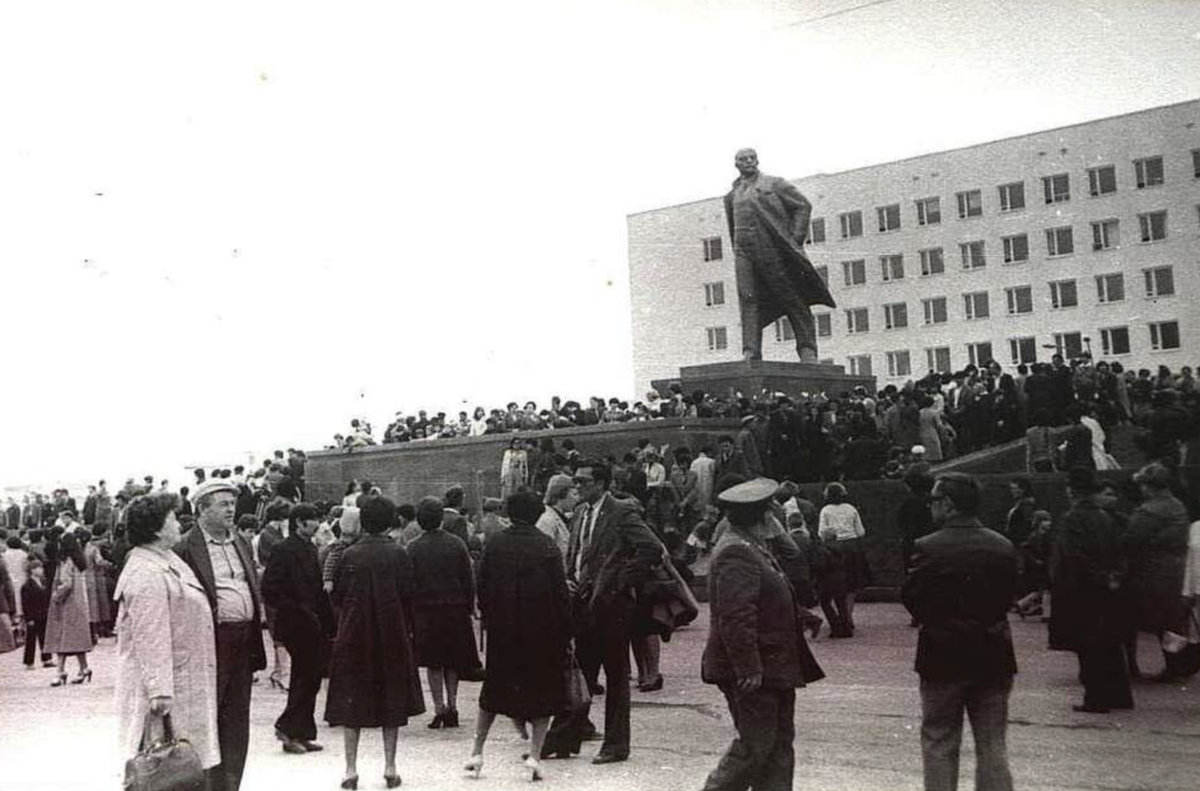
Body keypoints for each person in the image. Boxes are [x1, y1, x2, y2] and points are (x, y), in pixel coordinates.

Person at [699, 478, 824, 791]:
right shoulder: (736, 551)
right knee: (755, 747)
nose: (776, 517)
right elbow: (736, 616)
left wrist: (802, 616)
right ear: (762, 515)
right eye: (771, 511)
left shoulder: (750, 545)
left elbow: (767, 596)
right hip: (756, 670)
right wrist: (748, 667)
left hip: (773, 665)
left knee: (778, 747)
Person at [902, 472, 1018, 791]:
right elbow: (1009, 594)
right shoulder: (1002, 545)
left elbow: (912, 597)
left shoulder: (927, 547)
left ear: (949, 505)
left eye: (935, 500)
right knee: (993, 743)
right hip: (993, 650)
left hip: (942, 653)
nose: (931, 506)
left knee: (939, 738)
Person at [542, 460, 662, 764]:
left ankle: (616, 744)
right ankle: (564, 738)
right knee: (581, 672)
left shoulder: (621, 511)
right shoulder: (581, 512)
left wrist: (622, 580)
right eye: (576, 481)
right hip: (583, 603)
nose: (577, 486)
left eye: (583, 481)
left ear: (601, 483)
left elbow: (651, 548)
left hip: (612, 606)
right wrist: (570, 575)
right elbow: (579, 552)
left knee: (616, 677)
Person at [465, 488, 572, 781]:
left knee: (493, 692)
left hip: (504, 630)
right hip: (542, 632)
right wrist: (566, 632)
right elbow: (560, 596)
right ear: (538, 513)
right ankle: (535, 755)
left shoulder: (496, 544)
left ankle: (477, 751)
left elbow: (482, 585)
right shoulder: (547, 547)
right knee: (543, 693)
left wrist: (490, 616)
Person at [114, 493, 220, 777]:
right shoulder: (146, 571)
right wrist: (159, 691)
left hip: (183, 677)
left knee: (179, 768)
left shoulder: (165, 559)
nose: (179, 524)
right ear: (157, 528)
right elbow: (150, 635)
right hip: (166, 691)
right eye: (173, 518)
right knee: (162, 770)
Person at [325, 496, 425, 790]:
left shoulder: (349, 555)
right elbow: (410, 595)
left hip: (354, 634)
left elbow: (338, 596)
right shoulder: (399, 554)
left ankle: (350, 769)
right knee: (391, 701)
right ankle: (390, 767)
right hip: (391, 634)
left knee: (351, 701)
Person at [174, 479, 267, 791]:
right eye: (223, 504)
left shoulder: (239, 541)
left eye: (232, 503)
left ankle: (230, 786)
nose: (231, 509)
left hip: (243, 640)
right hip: (211, 643)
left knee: (237, 720)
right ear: (202, 510)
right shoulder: (185, 547)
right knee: (207, 718)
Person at [724, 147, 834, 361]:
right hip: (743, 251)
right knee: (748, 298)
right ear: (736, 164)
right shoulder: (732, 194)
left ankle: (807, 349)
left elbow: (803, 205)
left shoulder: (774, 184)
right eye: (743, 159)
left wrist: (794, 238)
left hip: (770, 246)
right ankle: (751, 351)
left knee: (790, 295)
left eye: (752, 158)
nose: (749, 162)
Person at [1048, 467, 1134, 713]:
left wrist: (1094, 578)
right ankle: (1119, 696)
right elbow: (1120, 552)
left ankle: (1095, 698)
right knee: (1109, 644)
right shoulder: (1105, 517)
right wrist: (1113, 578)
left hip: (1080, 591)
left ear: (1071, 490)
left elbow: (1073, 557)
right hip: (1106, 589)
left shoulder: (1072, 518)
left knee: (1088, 647)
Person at [262, 502, 336, 754]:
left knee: (310, 676)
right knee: (307, 675)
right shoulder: (283, 549)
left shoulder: (309, 547)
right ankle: (287, 728)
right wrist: (296, 609)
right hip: (295, 623)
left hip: (311, 623)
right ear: (300, 523)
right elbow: (269, 589)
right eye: (312, 519)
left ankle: (300, 733)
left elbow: (316, 589)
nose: (317, 523)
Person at [407, 496, 479, 729]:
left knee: (434, 663)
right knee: (452, 662)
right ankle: (453, 705)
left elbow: (409, 584)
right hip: (454, 610)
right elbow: (468, 579)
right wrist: (469, 606)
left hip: (426, 613)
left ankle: (439, 708)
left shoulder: (413, 547)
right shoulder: (457, 543)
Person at [1125, 462, 1194, 682]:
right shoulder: (1177, 506)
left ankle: (1175, 667)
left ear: (1149, 486)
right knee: (1172, 619)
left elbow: (1131, 539)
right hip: (1177, 568)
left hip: (1153, 570)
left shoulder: (1150, 510)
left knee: (1156, 619)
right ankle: (1178, 665)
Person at [817, 482, 870, 637]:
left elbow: (821, 532)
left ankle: (841, 619)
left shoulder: (825, 510)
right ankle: (849, 616)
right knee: (852, 584)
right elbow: (860, 531)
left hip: (834, 544)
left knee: (835, 584)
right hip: (852, 546)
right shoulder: (851, 508)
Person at [44, 531, 94, 686]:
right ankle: (83, 668)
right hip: (79, 605)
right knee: (76, 640)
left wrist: (55, 596)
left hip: (66, 606)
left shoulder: (66, 562)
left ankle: (60, 671)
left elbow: (66, 584)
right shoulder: (80, 562)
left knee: (61, 638)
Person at [21, 558, 53, 668]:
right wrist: (28, 618)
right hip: (33, 615)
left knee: (44, 637)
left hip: (43, 613)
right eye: (38, 568)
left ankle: (47, 658)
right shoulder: (27, 586)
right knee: (31, 639)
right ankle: (29, 661)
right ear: (32, 570)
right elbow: (25, 604)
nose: (41, 570)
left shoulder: (43, 582)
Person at [537, 475, 574, 565]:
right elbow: (542, 556)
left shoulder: (559, 517)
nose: (576, 499)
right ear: (561, 494)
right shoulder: (547, 520)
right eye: (574, 494)